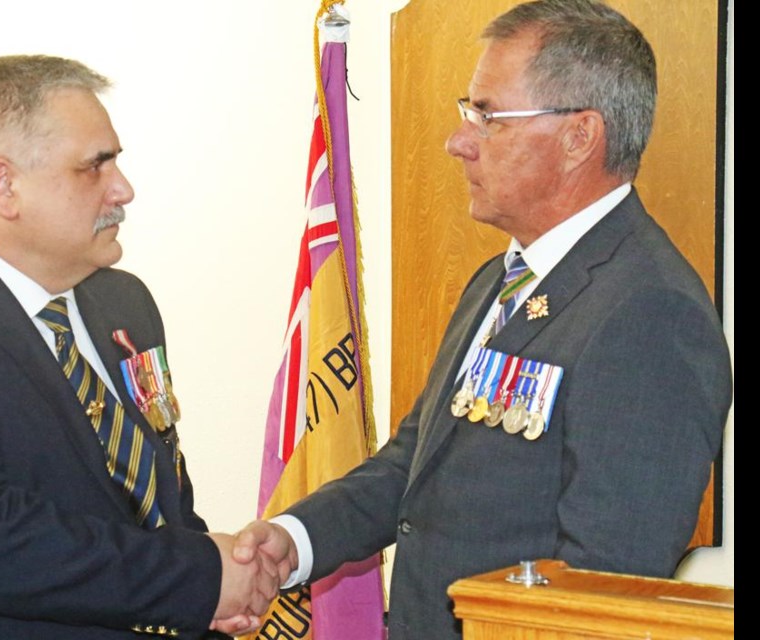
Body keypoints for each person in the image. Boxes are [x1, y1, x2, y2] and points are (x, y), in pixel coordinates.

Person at [231, 1, 733, 638]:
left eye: (488, 116)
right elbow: (413, 466)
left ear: (580, 136)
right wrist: (291, 540)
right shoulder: (502, 279)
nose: (459, 141)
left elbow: (598, 587)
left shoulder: (648, 312)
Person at [0, 55, 277, 639]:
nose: (124, 189)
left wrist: (216, 595)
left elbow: (154, 501)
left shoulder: (123, 304)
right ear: (3, 186)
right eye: (95, 166)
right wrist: (200, 579)